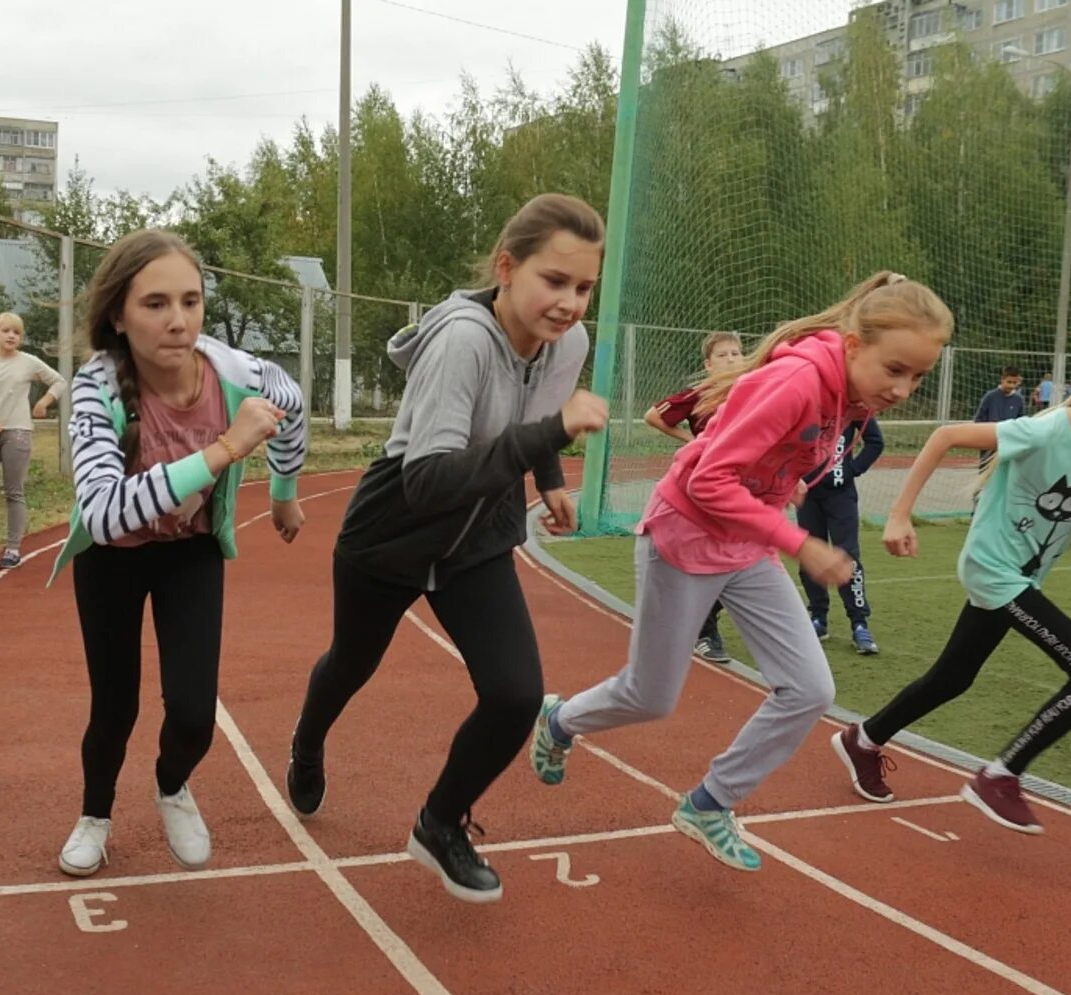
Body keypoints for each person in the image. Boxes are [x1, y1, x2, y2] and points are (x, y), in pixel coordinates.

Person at [533, 271, 952, 873]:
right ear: (855, 346)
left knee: (811, 689)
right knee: (650, 695)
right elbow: (707, 481)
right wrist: (798, 542)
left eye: (918, 376)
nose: (905, 389)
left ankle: (710, 804)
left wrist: (786, 504)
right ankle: (561, 719)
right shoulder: (797, 381)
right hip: (685, 538)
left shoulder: (850, 398)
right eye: (896, 370)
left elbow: (795, 460)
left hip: (747, 547)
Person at [286, 193, 607, 904]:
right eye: (554, 282)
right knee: (353, 662)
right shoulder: (462, 340)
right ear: (506, 268)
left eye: (584, 287)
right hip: (395, 529)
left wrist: (549, 478)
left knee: (516, 694)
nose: (569, 304)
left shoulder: (570, 343)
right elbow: (429, 481)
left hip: (478, 537)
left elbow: (533, 414)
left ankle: (439, 824)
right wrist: (550, 439)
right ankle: (308, 742)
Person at [832, 333, 1071, 834]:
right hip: (993, 568)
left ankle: (863, 739)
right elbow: (945, 436)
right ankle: (1000, 775)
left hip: (1022, 575)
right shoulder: (1044, 431)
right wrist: (898, 515)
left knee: (953, 677)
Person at [47, 229, 306, 878]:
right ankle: (95, 815)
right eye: (156, 304)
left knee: (193, 715)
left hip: (188, 552)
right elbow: (103, 514)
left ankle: (171, 787)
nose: (178, 321)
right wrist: (223, 452)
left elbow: (293, 405)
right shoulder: (95, 387)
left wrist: (283, 493)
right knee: (116, 707)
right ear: (118, 315)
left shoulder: (235, 374)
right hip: (112, 559)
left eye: (190, 302)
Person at [643, 330, 745, 662]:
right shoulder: (700, 394)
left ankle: (698, 621)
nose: (731, 359)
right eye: (722, 355)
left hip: (745, 485)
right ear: (708, 364)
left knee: (737, 555)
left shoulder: (755, 388)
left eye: (735, 353)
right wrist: (690, 439)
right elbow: (653, 415)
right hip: (707, 484)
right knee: (713, 554)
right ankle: (702, 628)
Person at [0, 312, 64, 570]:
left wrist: (43, 402)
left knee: (14, 490)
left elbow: (59, 381)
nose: (11, 336)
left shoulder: (28, 362)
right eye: (5, 331)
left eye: (16, 332)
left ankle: (13, 548)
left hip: (17, 432)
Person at [798, 416, 885, 653]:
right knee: (809, 556)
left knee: (848, 557)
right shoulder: (808, 402)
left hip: (841, 497)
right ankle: (818, 618)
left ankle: (859, 623)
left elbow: (875, 442)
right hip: (807, 496)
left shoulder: (854, 405)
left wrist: (852, 470)